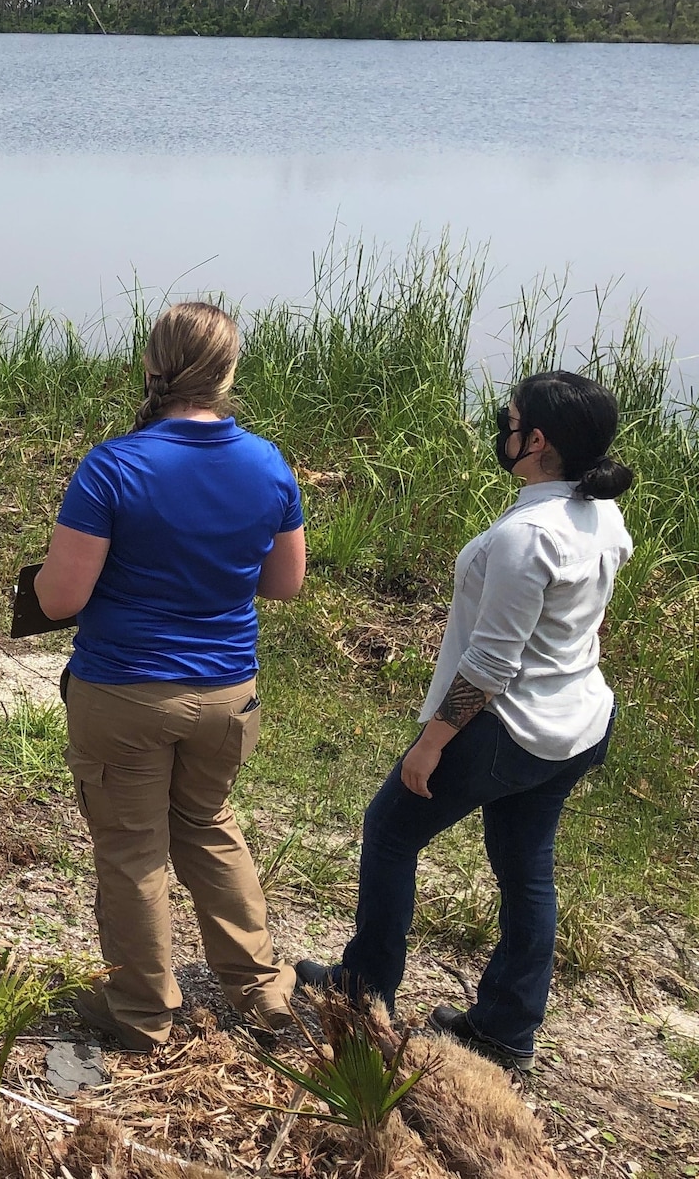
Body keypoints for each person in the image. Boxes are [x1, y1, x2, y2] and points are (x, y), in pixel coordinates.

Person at [296, 372, 633, 1072]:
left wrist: (430, 744)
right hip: (578, 721)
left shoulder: (527, 536)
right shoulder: (601, 516)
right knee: (526, 870)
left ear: (535, 441)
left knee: (390, 831)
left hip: (506, 727)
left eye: (509, 420)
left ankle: (363, 993)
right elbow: (586, 619)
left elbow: (489, 665)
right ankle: (505, 1030)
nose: (501, 429)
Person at [33, 302, 305, 1050]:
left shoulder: (114, 465)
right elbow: (284, 584)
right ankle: (262, 993)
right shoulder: (268, 463)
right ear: (227, 372)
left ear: (151, 365)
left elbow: (61, 598)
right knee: (210, 826)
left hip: (123, 689)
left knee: (131, 849)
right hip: (226, 692)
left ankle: (145, 1014)